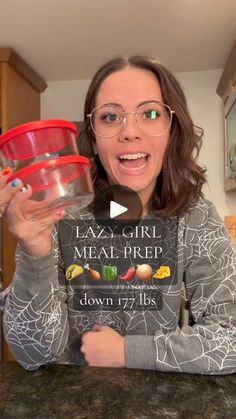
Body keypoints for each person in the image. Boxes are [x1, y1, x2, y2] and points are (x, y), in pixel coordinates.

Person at [1, 56, 236, 374]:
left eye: (150, 113)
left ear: (171, 130)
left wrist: (128, 351)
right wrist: (35, 253)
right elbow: (32, 353)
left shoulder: (196, 217)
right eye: (111, 117)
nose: (130, 132)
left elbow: (231, 337)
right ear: (94, 137)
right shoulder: (58, 214)